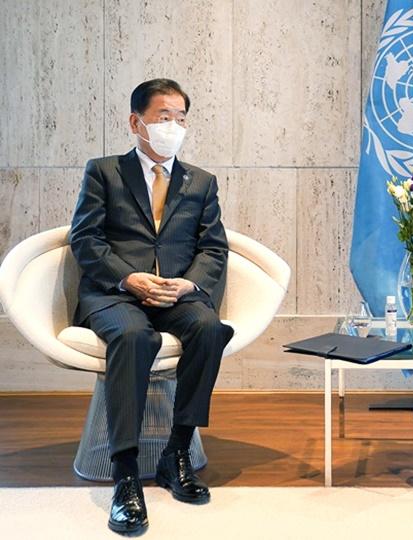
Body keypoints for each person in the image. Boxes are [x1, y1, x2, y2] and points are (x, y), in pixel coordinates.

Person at [70, 78, 233, 534]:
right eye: (164, 117)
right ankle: (125, 475)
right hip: (116, 293)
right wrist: (128, 277)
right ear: (135, 122)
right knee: (133, 335)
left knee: (210, 328)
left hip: (173, 294)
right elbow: (85, 239)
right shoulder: (103, 172)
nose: (174, 126)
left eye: (181, 118)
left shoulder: (201, 182)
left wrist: (187, 285)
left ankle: (176, 452)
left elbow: (214, 249)